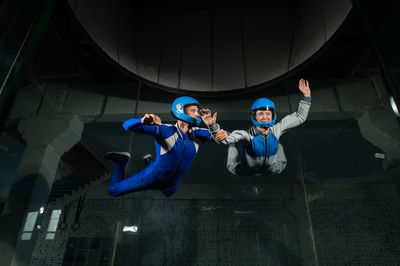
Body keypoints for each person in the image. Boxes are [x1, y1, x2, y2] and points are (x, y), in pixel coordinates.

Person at [104, 96, 225, 197]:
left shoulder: (199, 133)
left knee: (169, 194)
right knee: (113, 191)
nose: (197, 113)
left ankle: (148, 160)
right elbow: (127, 126)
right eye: (193, 110)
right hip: (151, 178)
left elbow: (225, 137)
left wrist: (213, 127)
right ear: (180, 109)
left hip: (171, 186)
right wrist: (141, 120)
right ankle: (122, 161)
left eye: (197, 111)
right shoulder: (164, 130)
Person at [201, 79, 311, 175]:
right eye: (261, 114)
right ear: (255, 116)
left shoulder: (277, 129)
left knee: (277, 142)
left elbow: (299, 116)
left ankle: (276, 143)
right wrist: (213, 127)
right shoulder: (247, 135)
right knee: (231, 162)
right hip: (247, 170)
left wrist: (306, 96)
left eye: (268, 114)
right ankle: (233, 146)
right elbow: (222, 140)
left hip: (274, 169)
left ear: (273, 115)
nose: (265, 117)